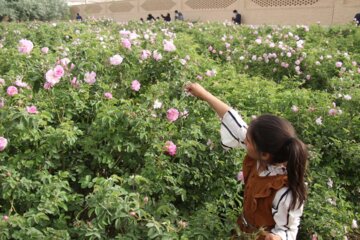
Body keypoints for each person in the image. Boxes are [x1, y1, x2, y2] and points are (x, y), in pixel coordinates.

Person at [185, 83, 308, 240]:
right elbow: (234, 122)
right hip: (242, 231)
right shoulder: (261, 154)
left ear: (264, 154)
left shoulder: (284, 190)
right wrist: (204, 94)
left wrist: (278, 237)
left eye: (248, 140)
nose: (244, 139)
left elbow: (288, 229)